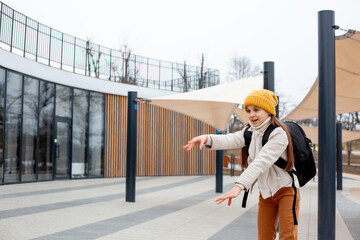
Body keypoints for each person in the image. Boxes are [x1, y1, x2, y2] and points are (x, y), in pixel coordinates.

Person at [183, 89, 300, 240]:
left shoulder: (279, 134)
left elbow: (260, 162)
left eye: (256, 110)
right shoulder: (249, 132)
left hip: (286, 190)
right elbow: (229, 139)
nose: (251, 114)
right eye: (248, 110)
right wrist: (206, 138)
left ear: (268, 110)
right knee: (264, 237)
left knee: (287, 237)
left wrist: (239, 186)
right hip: (266, 193)